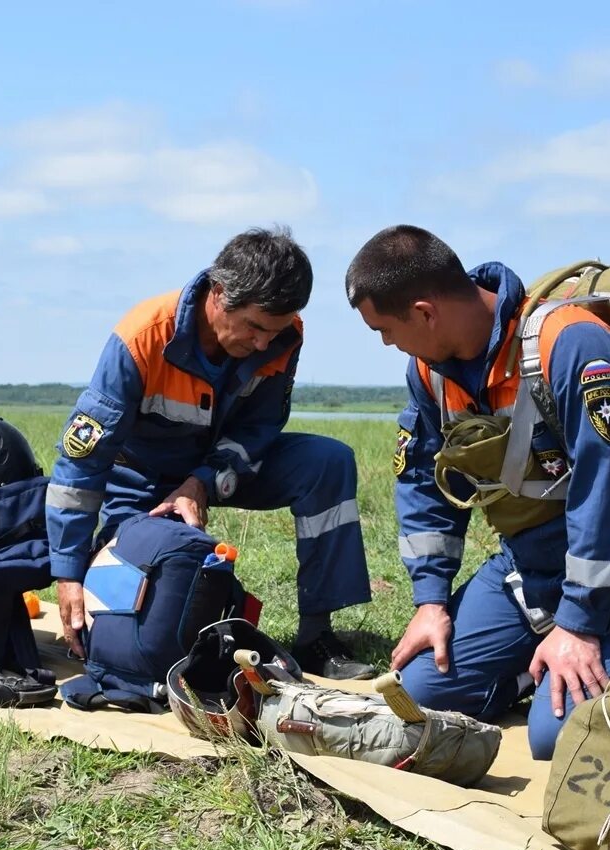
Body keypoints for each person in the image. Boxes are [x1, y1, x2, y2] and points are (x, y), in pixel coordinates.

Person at [345, 225, 610, 759]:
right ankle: (533, 669)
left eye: (383, 329)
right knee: (418, 696)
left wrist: (578, 623)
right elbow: (422, 481)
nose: (387, 343)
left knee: (560, 741)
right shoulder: (429, 373)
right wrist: (430, 602)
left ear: (424, 312)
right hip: (528, 566)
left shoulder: (571, 345)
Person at [47, 227, 375, 679]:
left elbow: (259, 428)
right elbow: (81, 462)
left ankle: (318, 637)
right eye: (255, 328)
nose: (263, 344)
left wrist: (202, 480)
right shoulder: (142, 338)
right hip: (143, 481)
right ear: (219, 295)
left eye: (273, 331)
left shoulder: (283, 335)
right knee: (132, 612)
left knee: (328, 463)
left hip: (220, 470)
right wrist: (67, 574)